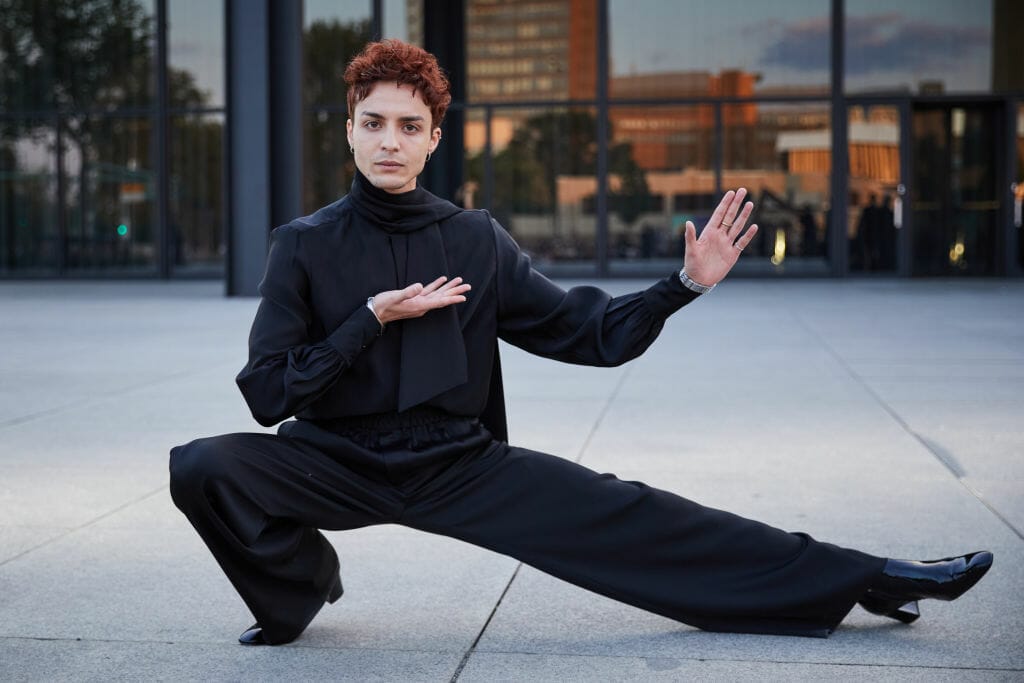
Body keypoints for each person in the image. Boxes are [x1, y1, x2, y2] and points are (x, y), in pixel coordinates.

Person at [169, 39, 992, 646]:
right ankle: (302, 586)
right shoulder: (302, 244)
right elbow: (267, 391)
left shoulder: (474, 239)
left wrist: (686, 285)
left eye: (408, 125)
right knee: (203, 464)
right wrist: (369, 321)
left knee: (645, 518)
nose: (389, 140)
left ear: (433, 138)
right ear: (348, 130)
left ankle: (870, 576)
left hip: (457, 464)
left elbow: (584, 333)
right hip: (335, 461)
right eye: (373, 122)